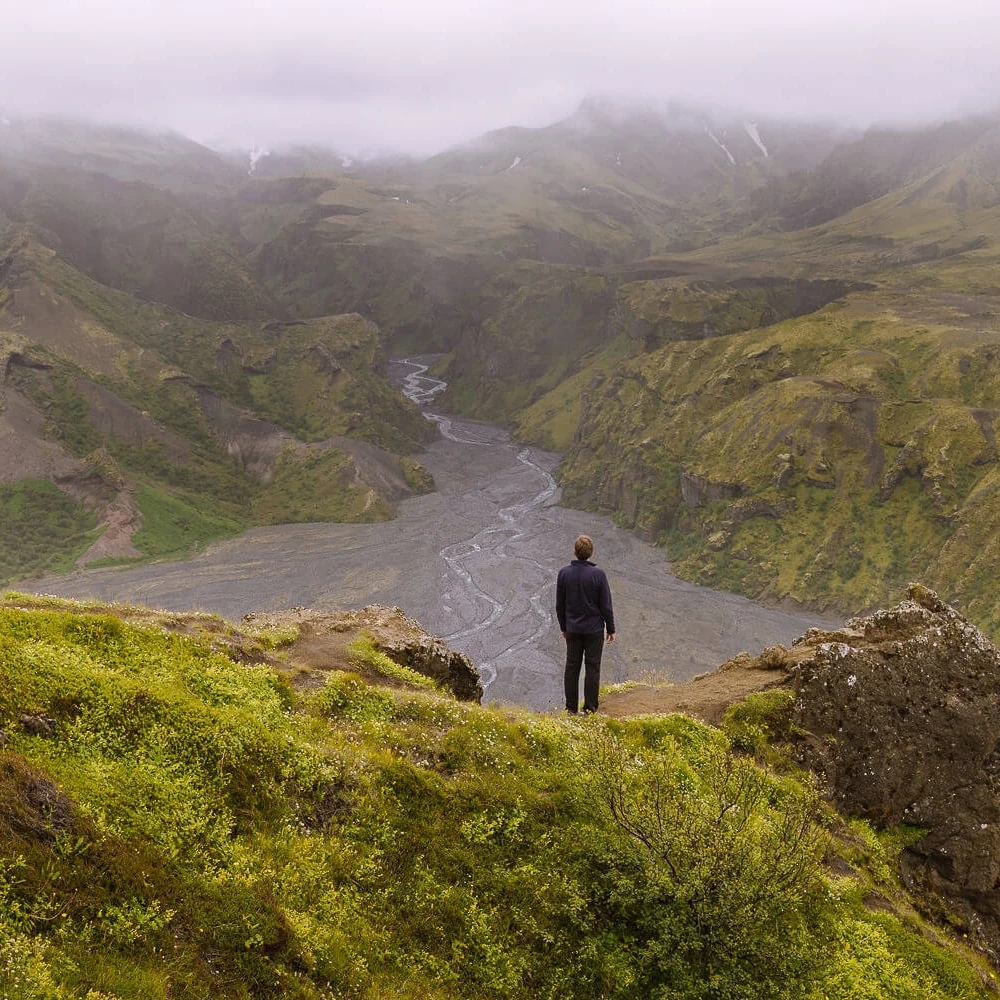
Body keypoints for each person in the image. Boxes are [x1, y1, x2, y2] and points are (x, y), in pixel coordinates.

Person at [556, 535, 616, 714]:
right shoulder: (598, 575)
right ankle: (590, 709)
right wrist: (611, 629)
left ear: (575, 552)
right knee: (593, 668)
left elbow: (559, 605)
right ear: (592, 553)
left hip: (573, 629)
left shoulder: (564, 573)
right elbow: (606, 605)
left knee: (572, 667)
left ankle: (571, 709)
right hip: (594, 630)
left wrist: (563, 627)